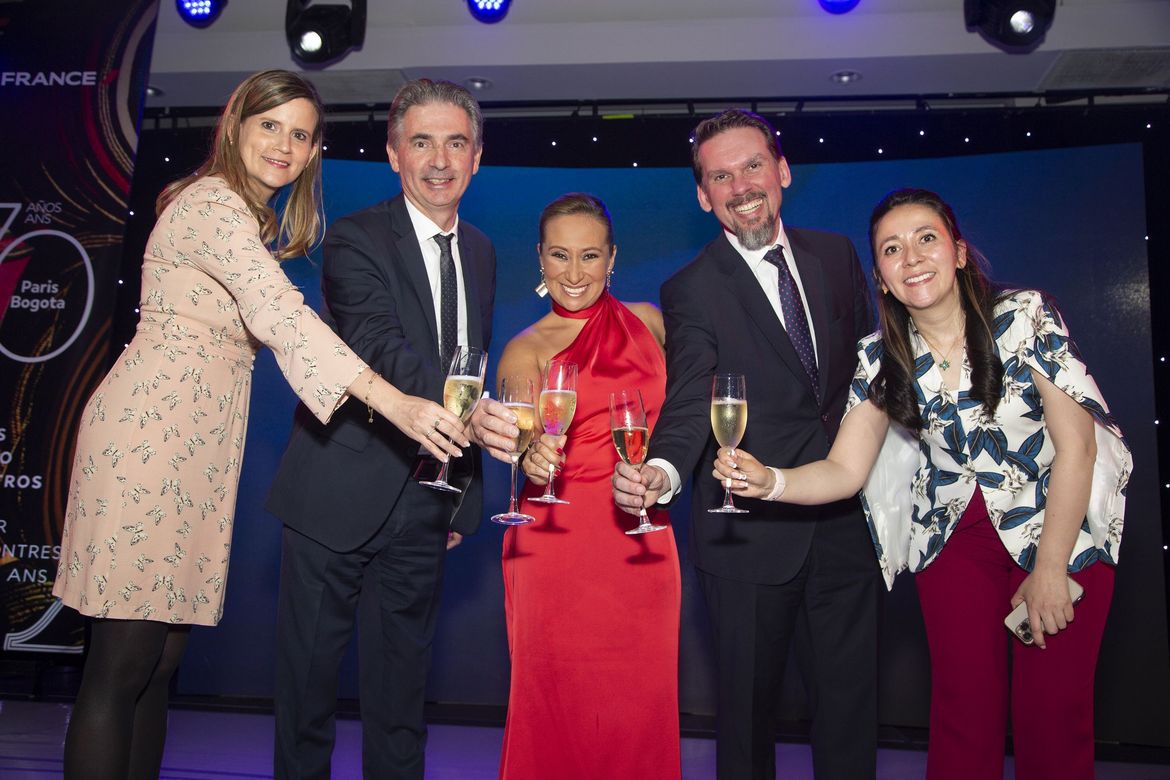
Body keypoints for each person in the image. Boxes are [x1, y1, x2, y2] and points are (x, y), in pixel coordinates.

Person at [51, 70, 465, 780]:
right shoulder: (212, 205)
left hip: (197, 448)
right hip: (146, 441)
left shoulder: (248, 220)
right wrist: (394, 402)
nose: (284, 145)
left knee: (160, 661)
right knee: (121, 663)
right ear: (235, 126)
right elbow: (281, 316)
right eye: (270, 125)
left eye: (300, 134)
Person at [713, 188, 1132, 779]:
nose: (910, 257)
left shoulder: (1025, 315)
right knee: (963, 718)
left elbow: (1078, 447)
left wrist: (1049, 570)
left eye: (926, 239)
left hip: (1061, 531)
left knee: (1052, 720)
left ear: (958, 252)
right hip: (953, 541)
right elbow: (843, 471)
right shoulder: (880, 357)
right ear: (880, 279)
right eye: (891, 249)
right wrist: (770, 481)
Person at [613, 109, 880, 779]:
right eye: (721, 177)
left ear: (782, 170)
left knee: (850, 714)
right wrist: (664, 471)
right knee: (746, 723)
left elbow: (871, 376)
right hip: (745, 534)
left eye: (753, 166)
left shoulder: (837, 256)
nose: (741, 187)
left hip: (846, 525)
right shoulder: (691, 289)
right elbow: (690, 398)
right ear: (704, 197)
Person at [264, 78, 515, 780]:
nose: (440, 160)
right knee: (307, 696)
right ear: (393, 154)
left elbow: (468, 361)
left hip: (426, 503)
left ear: (477, 158)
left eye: (456, 143)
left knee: (402, 700)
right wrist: (467, 412)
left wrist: (459, 496)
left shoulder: (482, 251)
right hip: (335, 493)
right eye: (422, 142)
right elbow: (378, 346)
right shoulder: (355, 237)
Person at [494, 193, 681, 779]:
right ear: (540, 257)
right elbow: (521, 434)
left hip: (642, 534)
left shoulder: (651, 322)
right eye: (560, 255)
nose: (574, 273)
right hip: (556, 542)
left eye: (590, 255)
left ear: (612, 257)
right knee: (555, 704)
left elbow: (690, 412)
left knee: (641, 704)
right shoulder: (525, 347)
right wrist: (530, 456)